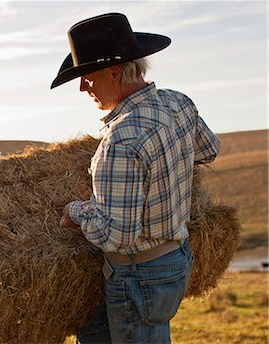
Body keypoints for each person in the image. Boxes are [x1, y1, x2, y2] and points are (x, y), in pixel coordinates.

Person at [51, 13, 220, 344]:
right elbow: (209, 150)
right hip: (175, 258)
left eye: (87, 77)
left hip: (137, 275)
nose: (82, 87)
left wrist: (75, 211)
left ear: (114, 73)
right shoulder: (177, 104)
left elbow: (117, 235)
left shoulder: (120, 141)